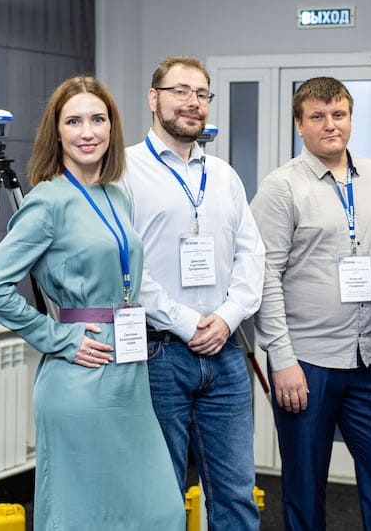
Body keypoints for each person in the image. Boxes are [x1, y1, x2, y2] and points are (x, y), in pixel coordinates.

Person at [0, 76, 185, 530]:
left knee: (159, 512)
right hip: (82, 374)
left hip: (131, 370)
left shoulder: (115, 194)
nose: (87, 132)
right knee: (87, 516)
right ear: (56, 132)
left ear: (112, 127)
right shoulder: (48, 201)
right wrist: (58, 338)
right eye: (73, 121)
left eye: (97, 119)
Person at [251, 77, 371, 530]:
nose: (330, 125)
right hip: (307, 362)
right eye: (317, 117)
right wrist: (282, 360)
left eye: (338, 114)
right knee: (304, 487)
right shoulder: (281, 187)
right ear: (300, 125)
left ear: (350, 118)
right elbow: (265, 277)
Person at [121, 55, 264, 530]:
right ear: (153, 97)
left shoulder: (223, 175)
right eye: (180, 91)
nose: (193, 103)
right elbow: (126, 265)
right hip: (158, 355)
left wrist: (227, 318)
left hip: (226, 354)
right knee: (160, 496)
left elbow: (252, 255)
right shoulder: (124, 171)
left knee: (237, 495)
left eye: (202, 94)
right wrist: (187, 323)